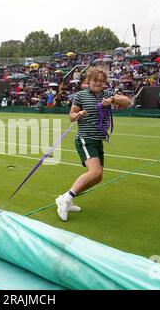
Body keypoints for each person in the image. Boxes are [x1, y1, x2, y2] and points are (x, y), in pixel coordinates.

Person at [55, 67, 131, 222]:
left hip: (97, 140)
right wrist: (79, 114)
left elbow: (128, 102)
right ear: (88, 80)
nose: (98, 84)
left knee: (98, 177)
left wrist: (112, 100)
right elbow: (71, 116)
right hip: (85, 138)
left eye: (102, 82)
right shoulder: (80, 95)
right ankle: (65, 199)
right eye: (95, 81)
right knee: (95, 172)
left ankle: (66, 197)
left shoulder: (107, 94)